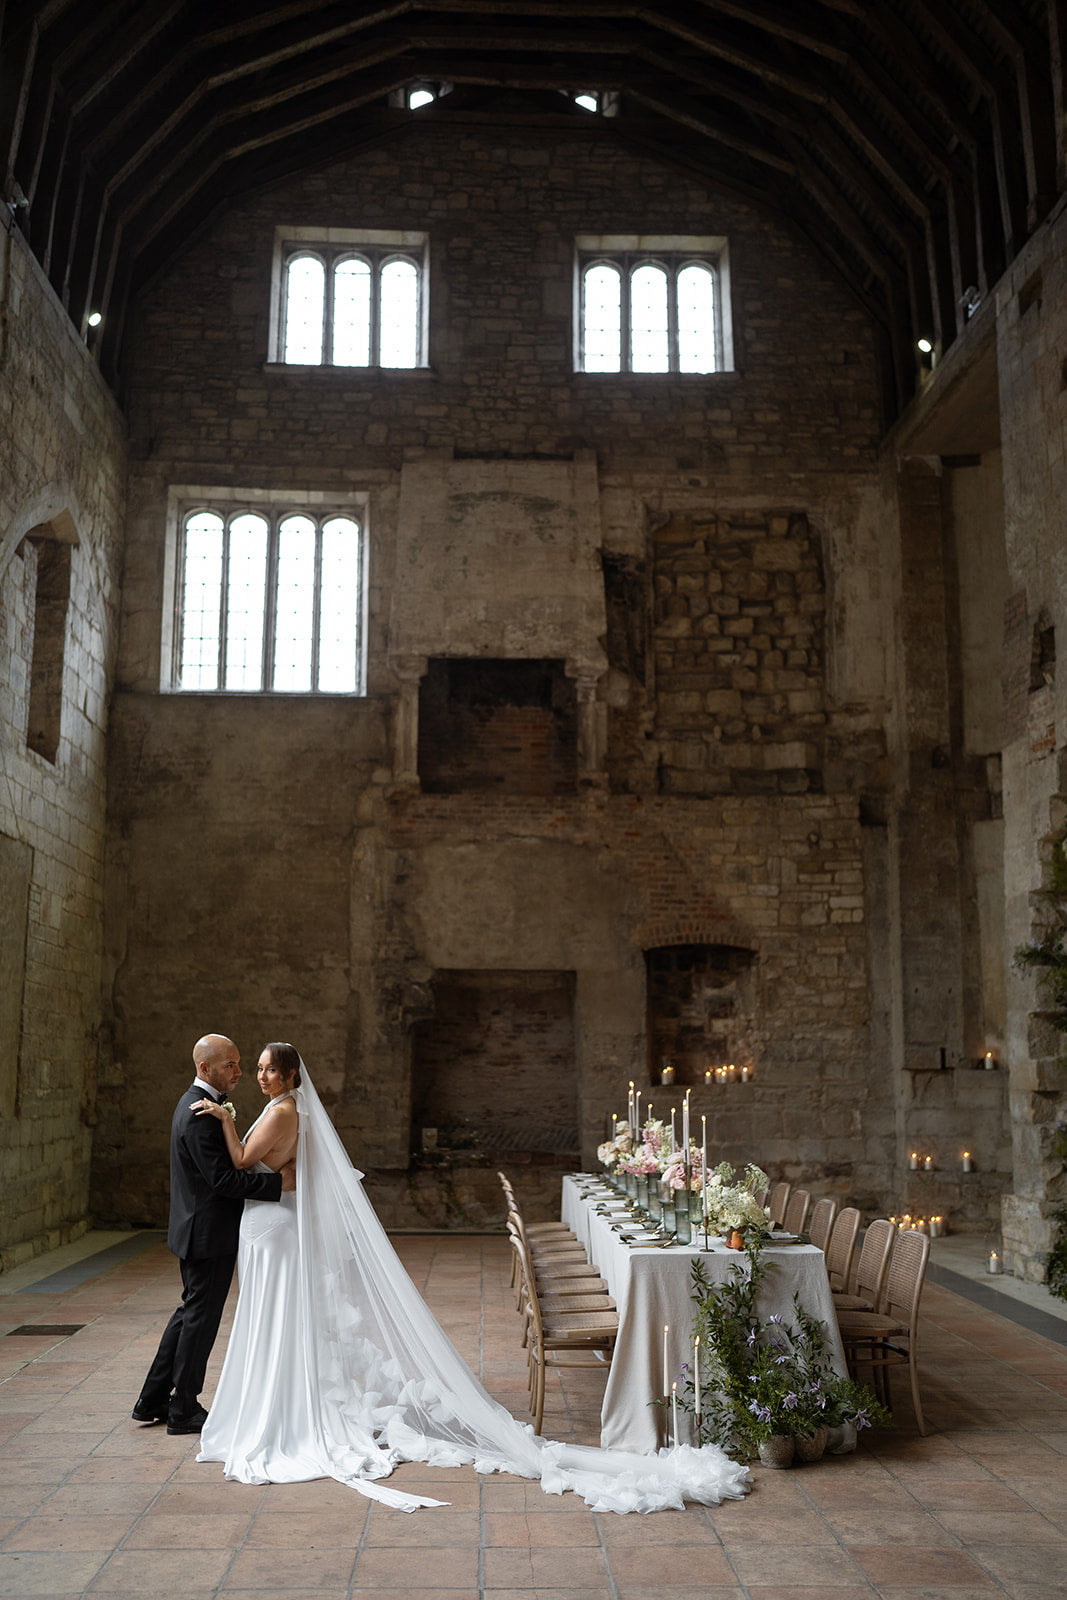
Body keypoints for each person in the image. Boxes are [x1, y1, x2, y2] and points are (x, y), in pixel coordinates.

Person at [192, 1042, 752, 1514]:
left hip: (272, 1228)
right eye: (256, 1067)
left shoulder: (281, 1111)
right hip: (275, 1226)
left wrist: (224, 1120)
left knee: (279, 1315)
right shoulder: (291, 1111)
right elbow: (286, 1170)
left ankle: (283, 1407)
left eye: (268, 1067)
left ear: (290, 1075)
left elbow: (241, 1164)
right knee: (283, 1317)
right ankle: (283, 1395)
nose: (260, 1075)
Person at [132, 1034, 295, 1435]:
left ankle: (152, 1400)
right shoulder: (200, 1113)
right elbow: (223, 1180)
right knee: (199, 1322)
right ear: (205, 1068)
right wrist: (280, 1187)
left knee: (189, 1314)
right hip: (207, 1233)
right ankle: (183, 1409)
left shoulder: (206, 1106)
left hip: (200, 1228)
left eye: (242, 1064)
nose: (240, 1072)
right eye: (230, 1065)